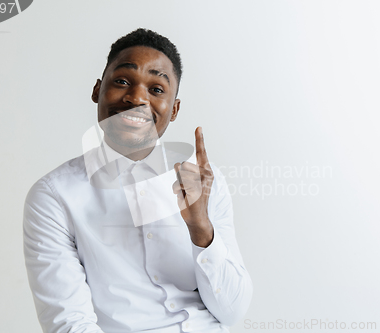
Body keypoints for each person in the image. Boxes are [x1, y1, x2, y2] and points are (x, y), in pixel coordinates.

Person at [23, 28, 253, 333]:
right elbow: (68, 324)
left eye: (156, 89)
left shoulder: (202, 183)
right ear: (97, 90)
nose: (136, 98)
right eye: (122, 81)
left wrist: (201, 229)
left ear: (174, 110)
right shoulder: (54, 196)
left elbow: (233, 311)